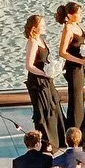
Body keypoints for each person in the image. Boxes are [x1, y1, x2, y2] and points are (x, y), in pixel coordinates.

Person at [23, 14, 65, 152]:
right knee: (44, 110)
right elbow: (29, 65)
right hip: (38, 81)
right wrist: (44, 73)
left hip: (46, 79)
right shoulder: (32, 42)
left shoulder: (40, 39)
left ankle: (57, 141)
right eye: (42, 25)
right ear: (34, 28)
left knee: (53, 106)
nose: (45, 27)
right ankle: (47, 142)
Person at [55, 2, 85, 136]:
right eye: (78, 13)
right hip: (73, 67)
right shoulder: (68, 28)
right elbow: (62, 52)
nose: (80, 15)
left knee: (79, 97)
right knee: (75, 98)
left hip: (80, 66)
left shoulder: (76, 26)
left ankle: (81, 127)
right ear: (69, 15)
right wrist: (80, 60)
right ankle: (74, 129)